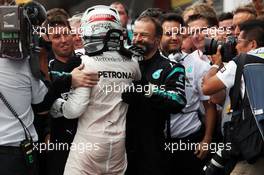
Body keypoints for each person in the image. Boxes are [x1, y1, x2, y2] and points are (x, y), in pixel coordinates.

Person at [51, 5, 141, 174]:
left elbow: (74, 110)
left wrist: (58, 106)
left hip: (89, 142)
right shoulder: (132, 63)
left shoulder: (86, 62)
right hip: (118, 144)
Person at [123, 15, 187, 175]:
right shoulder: (123, 65)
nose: (137, 39)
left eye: (144, 35)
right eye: (135, 34)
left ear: (157, 39)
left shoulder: (171, 67)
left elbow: (178, 101)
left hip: (152, 146)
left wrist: (147, 89)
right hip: (119, 144)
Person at [202, 19, 264, 175]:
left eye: (239, 40)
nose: (235, 46)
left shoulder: (243, 61)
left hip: (252, 144)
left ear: (253, 44)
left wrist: (216, 64)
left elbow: (207, 87)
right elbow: (217, 98)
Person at [159, 13, 217, 175]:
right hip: (158, 142)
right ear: (158, 35)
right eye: (168, 33)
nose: (174, 37)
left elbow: (209, 105)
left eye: (178, 33)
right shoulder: (151, 62)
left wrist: (206, 139)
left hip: (189, 140)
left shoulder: (197, 65)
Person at [44, 15, 98, 175]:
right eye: (56, 37)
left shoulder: (88, 62)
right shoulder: (47, 70)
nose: (63, 40)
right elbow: (43, 103)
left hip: (90, 137)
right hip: (60, 139)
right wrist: (47, 132)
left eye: (66, 34)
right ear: (49, 41)